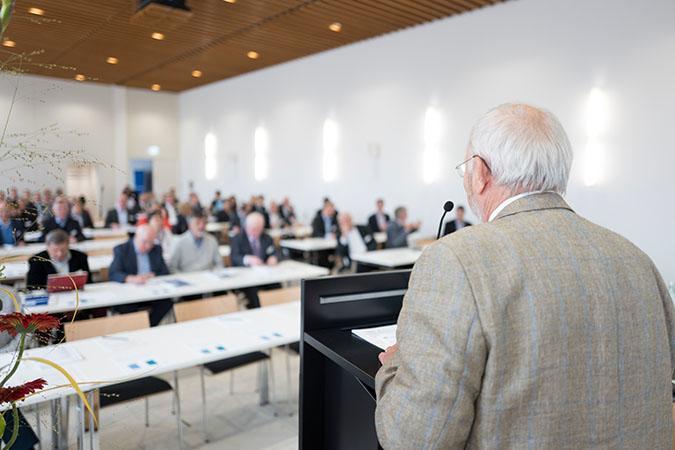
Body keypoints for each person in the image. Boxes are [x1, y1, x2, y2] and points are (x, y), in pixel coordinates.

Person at [375, 103, 675, 449]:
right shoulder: (637, 260)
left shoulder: (456, 260)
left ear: (480, 173)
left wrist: (396, 364)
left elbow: (415, 438)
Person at [108, 224, 172, 326]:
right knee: (126, 307)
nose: (148, 246)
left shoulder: (156, 249)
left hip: (152, 291)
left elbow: (165, 271)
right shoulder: (121, 250)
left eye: (151, 242)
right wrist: (131, 278)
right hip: (130, 293)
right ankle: (137, 327)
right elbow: (113, 273)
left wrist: (153, 274)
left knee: (166, 303)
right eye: (144, 241)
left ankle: (149, 326)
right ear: (136, 237)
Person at [229, 212, 279, 308]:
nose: (256, 232)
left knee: (277, 287)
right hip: (246, 278)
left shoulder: (266, 238)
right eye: (253, 229)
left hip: (265, 275)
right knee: (253, 294)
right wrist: (247, 259)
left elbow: (276, 251)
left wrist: (274, 257)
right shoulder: (237, 238)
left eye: (259, 228)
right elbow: (234, 257)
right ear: (246, 227)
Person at [26, 229, 92, 289]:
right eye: (55, 250)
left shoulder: (81, 257)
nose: (59, 254)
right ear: (48, 247)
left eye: (63, 250)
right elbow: (32, 287)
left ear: (68, 245)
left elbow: (89, 283)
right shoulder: (36, 261)